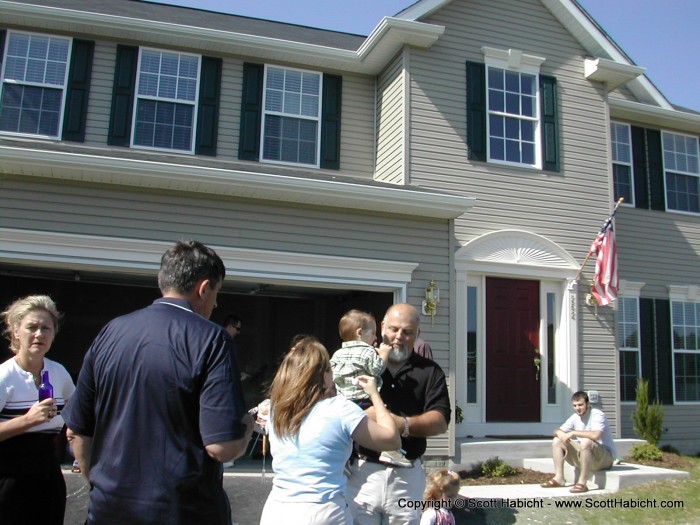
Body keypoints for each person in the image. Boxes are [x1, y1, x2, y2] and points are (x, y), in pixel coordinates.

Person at [63, 240, 254, 525]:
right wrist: (248, 427)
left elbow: (77, 431)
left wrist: (100, 482)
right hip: (183, 511)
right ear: (204, 288)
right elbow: (222, 447)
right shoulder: (212, 339)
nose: (215, 305)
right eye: (216, 294)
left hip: (108, 509)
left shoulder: (110, 332)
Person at [260, 337, 400, 525]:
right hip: (322, 511)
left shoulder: (275, 410)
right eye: (329, 368)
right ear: (323, 376)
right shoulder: (340, 408)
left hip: (276, 511)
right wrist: (374, 395)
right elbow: (392, 440)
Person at [346, 303, 451, 525]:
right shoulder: (358, 363)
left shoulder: (430, 372)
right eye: (394, 329)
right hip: (362, 472)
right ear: (383, 327)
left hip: (406, 477)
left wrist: (400, 424)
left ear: (417, 334)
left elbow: (440, 421)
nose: (399, 337)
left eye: (407, 332)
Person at [0, 295, 75, 525]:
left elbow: (78, 416)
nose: (39, 334)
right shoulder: (5, 377)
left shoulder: (59, 373)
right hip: (9, 479)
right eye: (32, 327)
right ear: (16, 332)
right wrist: (27, 421)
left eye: (46, 328)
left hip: (48, 479)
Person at [330, 309, 409, 467]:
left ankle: (344, 462)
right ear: (360, 332)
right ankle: (389, 451)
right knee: (382, 417)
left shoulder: (338, 354)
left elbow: (332, 375)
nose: (375, 337)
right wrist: (384, 353)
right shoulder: (367, 351)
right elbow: (378, 368)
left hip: (342, 402)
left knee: (348, 435)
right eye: (372, 333)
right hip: (363, 399)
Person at [540, 390, 617, 493]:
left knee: (585, 441)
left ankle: (582, 483)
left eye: (580, 405)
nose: (577, 408)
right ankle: (559, 478)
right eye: (575, 406)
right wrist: (561, 434)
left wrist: (573, 433)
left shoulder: (597, 414)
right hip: (587, 455)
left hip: (605, 458)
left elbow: (596, 435)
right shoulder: (575, 417)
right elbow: (556, 431)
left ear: (588, 404)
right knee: (557, 441)